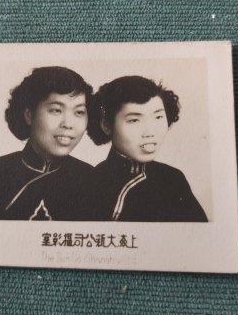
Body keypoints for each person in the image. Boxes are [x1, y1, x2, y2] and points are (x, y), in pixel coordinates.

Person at [0, 66, 95, 220]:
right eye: (56, 110)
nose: (68, 124)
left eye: (79, 112)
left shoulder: (93, 180)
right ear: (29, 115)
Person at [87, 76, 208, 222]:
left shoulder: (173, 178)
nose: (150, 132)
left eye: (158, 117)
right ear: (106, 125)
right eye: (134, 120)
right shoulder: (93, 185)